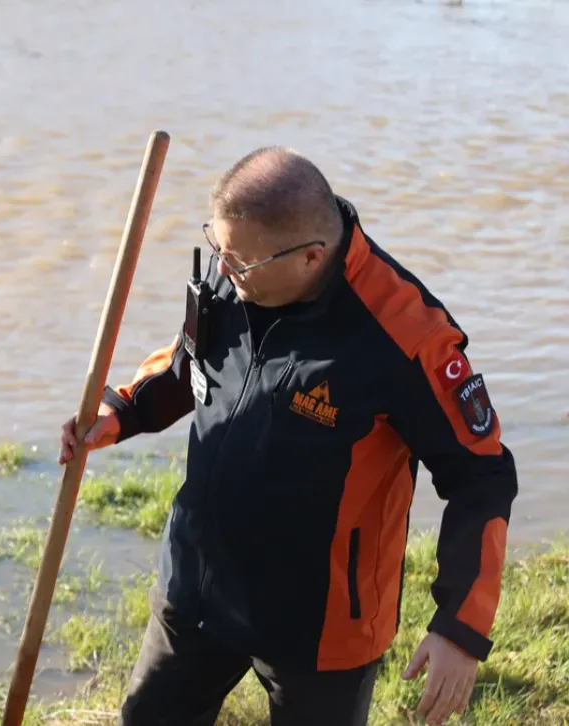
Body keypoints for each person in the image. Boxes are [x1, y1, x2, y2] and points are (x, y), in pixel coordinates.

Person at [59, 146, 518, 726]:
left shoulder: (405, 333)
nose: (224, 271)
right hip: (198, 587)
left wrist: (461, 627)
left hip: (323, 628)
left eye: (239, 263)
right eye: (218, 247)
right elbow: (189, 361)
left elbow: (481, 477)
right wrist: (123, 413)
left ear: (310, 257)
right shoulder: (242, 270)